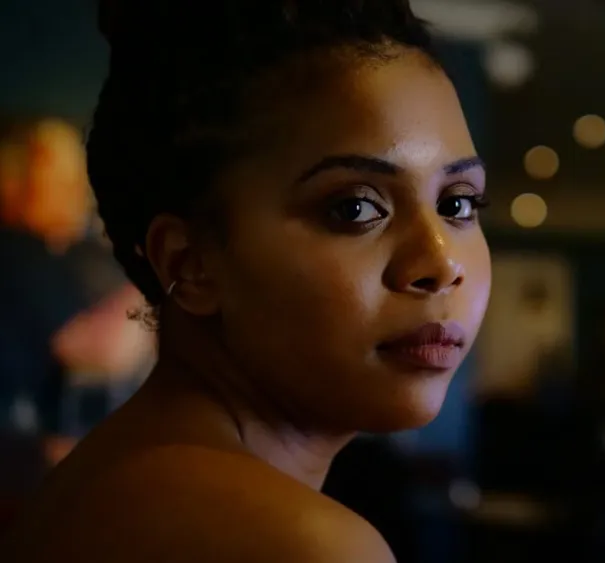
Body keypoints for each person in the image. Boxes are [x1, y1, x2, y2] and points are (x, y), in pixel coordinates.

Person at [2, 1, 492, 561]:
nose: (441, 262)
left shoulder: (111, 483)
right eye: (355, 208)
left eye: (458, 204)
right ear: (189, 263)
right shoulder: (298, 543)